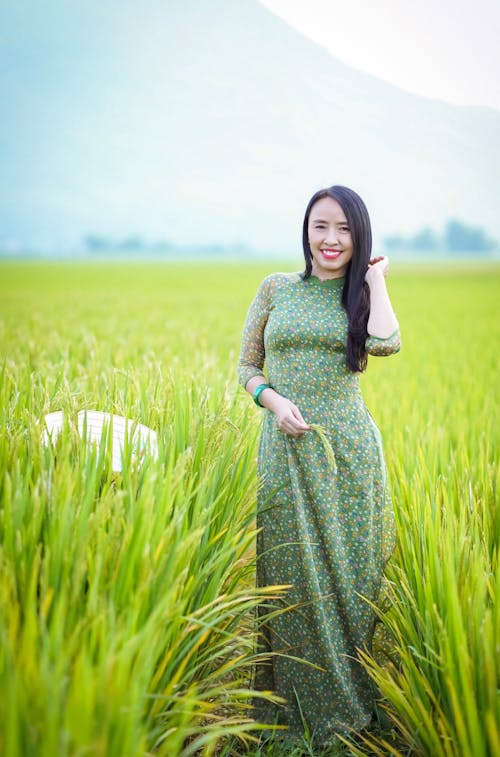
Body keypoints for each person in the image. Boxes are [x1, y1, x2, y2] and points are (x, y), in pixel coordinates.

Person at [237, 185, 401, 747]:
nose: (331, 240)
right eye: (320, 226)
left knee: (349, 577)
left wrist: (376, 280)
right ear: (305, 230)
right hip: (283, 451)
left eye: (344, 230)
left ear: (359, 237)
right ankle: (292, 709)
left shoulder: (361, 295)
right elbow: (247, 366)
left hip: (348, 452)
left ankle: (353, 703)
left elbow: (387, 343)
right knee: (289, 576)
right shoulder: (276, 289)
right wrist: (274, 402)